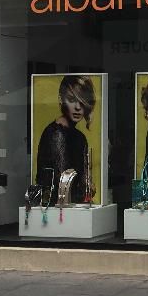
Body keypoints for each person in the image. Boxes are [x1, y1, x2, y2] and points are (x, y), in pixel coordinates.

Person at [36, 75, 96, 205]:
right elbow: (63, 182)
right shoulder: (57, 134)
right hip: (57, 208)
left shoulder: (80, 137)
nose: (78, 107)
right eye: (72, 99)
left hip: (70, 206)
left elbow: (82, 181)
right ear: (61, 99)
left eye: (82, 101)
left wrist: (88, 185)